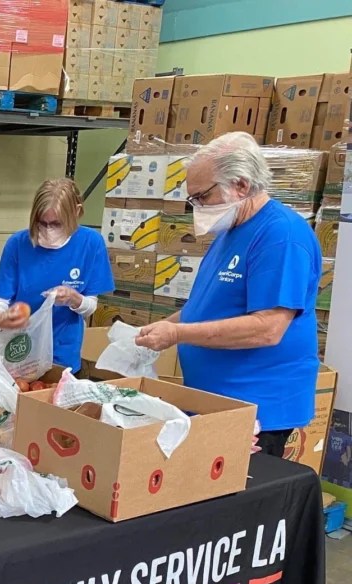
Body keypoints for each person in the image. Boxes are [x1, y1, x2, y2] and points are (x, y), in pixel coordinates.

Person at [136, 132, 321, 458]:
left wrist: (177, 333)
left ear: (241, 185)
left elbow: (268, 327)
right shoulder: (232, 229)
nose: (198, 207)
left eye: (202, 196)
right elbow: (208, 305)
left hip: (257, 411)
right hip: (216, 400)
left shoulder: (281, 236)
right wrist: (164, 325)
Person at [0, 178, 114, 371]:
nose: (48, 230)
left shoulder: (91, 244)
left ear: (76, 212)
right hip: (20, 350)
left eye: (56, 224)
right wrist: (0, 317)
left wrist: (74, 298)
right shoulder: (18, 244)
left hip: (62, 353)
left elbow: (90, 307)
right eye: (42, 223)